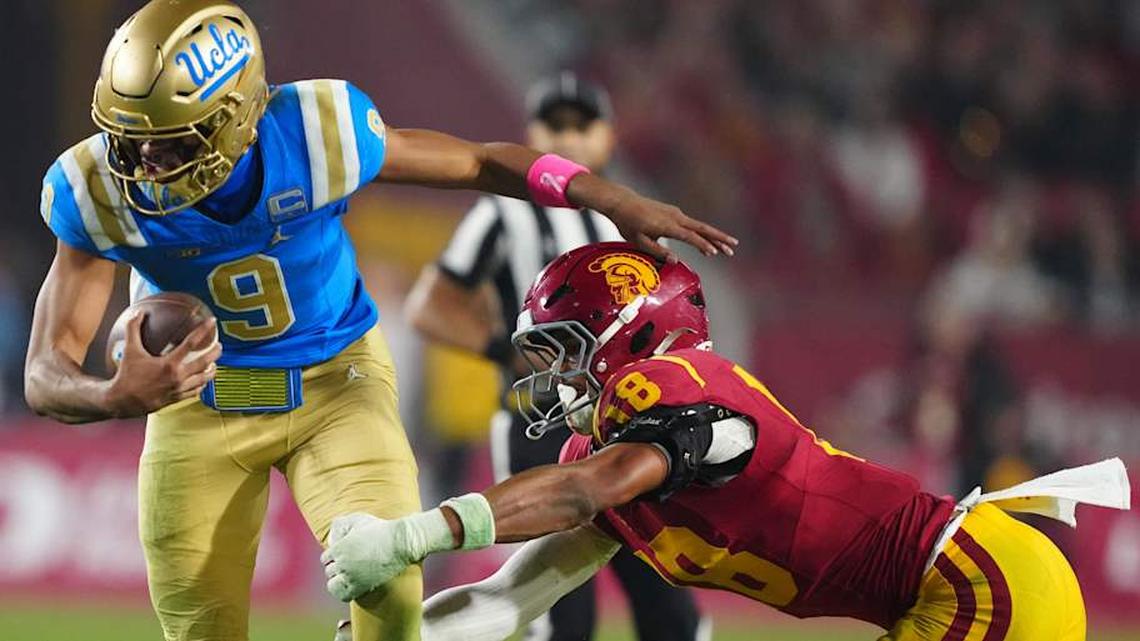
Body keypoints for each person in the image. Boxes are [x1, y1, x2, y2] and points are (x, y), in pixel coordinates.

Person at [22, 1, 737, 640]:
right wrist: (112, 395)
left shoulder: (315, 133)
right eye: (132, 137)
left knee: (390, 590)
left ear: (236, 116)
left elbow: (481, 161)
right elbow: (45, 370)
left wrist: (606, 197)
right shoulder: (94, 191)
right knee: (199, 628)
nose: (146, 161)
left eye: (174, 140)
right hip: (201, 406)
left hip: (338, 383)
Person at [321, 242, 1131, 641]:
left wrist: (409, 536)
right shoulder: (608, 455)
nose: (559, 375)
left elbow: (591, 487)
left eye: (570, 347)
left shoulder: (684, 393)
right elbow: (507, 599)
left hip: (979, 574)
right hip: (962, 583)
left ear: (628, 337)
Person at [405, 72, 706, 641]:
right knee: (558, 610)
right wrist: (511, 353)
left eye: (581, 125)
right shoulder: (504, 214)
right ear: (531, 133)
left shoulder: (624, 220)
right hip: (537, 422)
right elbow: (429, 305)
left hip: (629, 425)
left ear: (608, 137)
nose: (567, 138)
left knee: (666, 604)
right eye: (554, 125)